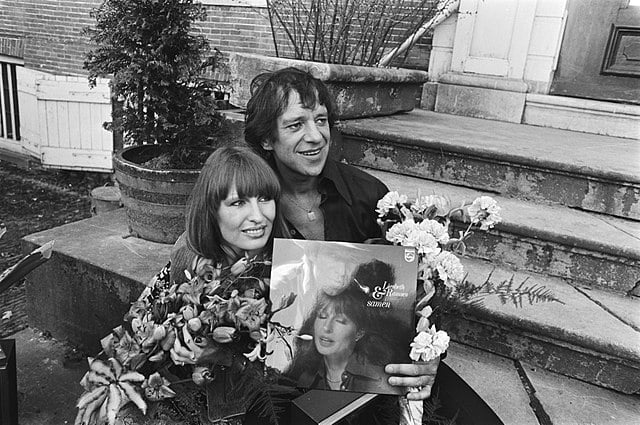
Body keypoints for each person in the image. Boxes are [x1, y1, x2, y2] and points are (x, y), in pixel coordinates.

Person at [243, 67, 439, 399]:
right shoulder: (249, 205)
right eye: (295, 125)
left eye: (321, 120)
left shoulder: (370, 197)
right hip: (278, 381)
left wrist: (427, 354)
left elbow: (419, 292)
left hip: (371, 379)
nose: (316, 136)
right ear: (266, 139)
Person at [285, 260, 412, 396]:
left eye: (340, 321)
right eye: (322, 316)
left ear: (359, 333)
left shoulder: (379, 380)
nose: (326, 327)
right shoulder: (303, 378)